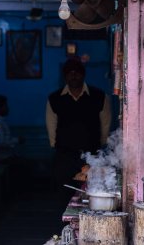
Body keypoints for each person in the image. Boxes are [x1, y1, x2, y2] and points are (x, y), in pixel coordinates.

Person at [45, 57, 111, 212]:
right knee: (64, 196)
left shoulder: (99, 96)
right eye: (70, 73)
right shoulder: (54, 99)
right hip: (65, 156)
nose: (73, 75)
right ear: (65, 76)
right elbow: (51, 128)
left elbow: (105, 126)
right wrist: (59, 147)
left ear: (84, 74)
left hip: (93, 156)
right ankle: (65, 230)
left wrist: (97, 146)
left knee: (93, 197)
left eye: (77, 72)